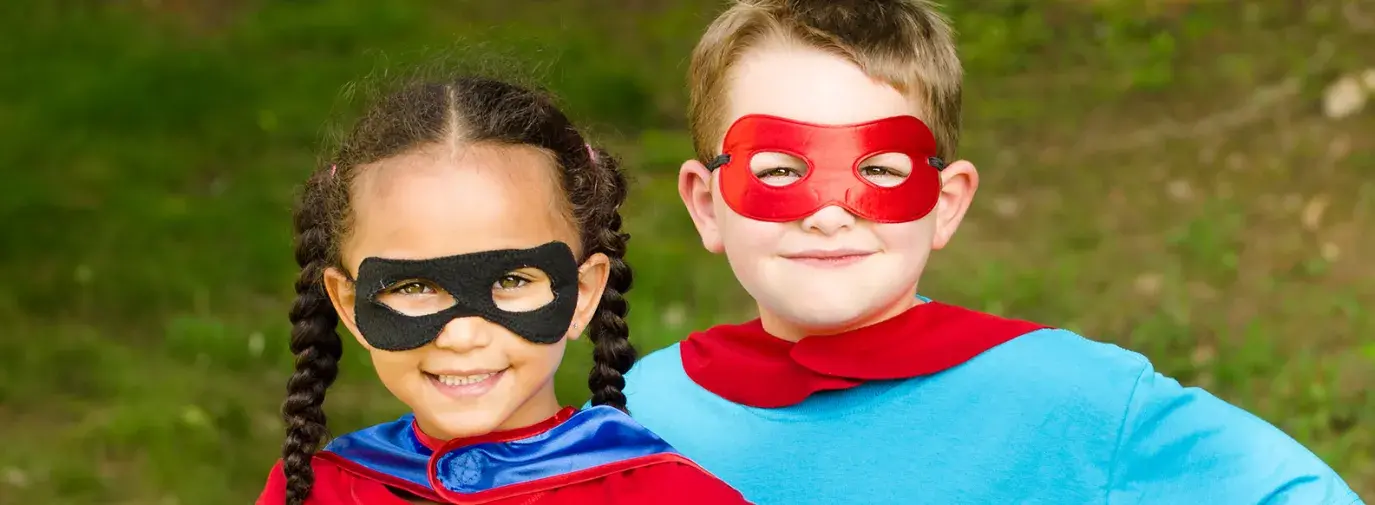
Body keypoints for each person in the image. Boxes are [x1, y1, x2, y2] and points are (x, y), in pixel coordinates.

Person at [616, 1, 1365, 503]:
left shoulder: (1075, 396)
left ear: (946, 203)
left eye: (881, 171)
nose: (830, 213)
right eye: (780, 171)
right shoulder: (640, 410)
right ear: (706, 204)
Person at [255, 73, 749, 504]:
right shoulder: (313, 491)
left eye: (511, 280)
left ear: (583, 293)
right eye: (413, 286)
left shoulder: (674, 496)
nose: (463, 337)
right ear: (348, 303)